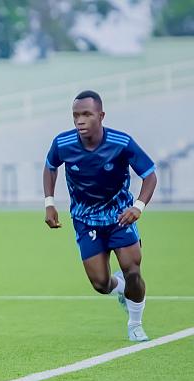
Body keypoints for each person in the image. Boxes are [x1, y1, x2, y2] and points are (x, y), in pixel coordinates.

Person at [43, 90, 157, 342]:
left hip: (120, 217)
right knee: (100, 284)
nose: (80, 120)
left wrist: (138, 207)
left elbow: (149, 174)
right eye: (76, 115)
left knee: (133, 271)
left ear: (101, 116)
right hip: (85, 219)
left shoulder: (121, 142)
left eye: (86, 114)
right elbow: (50, 167)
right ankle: (121, 289)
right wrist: (49, 202)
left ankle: (135, 324)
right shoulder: (63, 143)